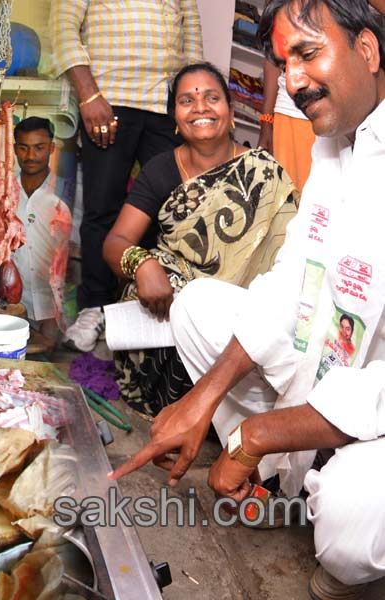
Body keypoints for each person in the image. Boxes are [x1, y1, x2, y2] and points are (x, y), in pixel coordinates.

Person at [110, 2, 385, 598]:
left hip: (376, 400)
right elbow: (289, 280)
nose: (293, 81)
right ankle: (284, 477)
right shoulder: (334, 145)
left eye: (308, 54)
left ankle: (316, 499)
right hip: (323, 355)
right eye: (284, 62)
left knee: (347, 534)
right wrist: (200, 402)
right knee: (196, 305)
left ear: (368, 49)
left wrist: (252, 436)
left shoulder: (272, 160)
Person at [103, 62, 299, 417]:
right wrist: (143, 264)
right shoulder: (161, 169)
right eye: (186, 101)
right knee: (150, 275)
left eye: (212, 97)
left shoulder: (265, 172)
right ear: (175, 119)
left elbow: (290, 258)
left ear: (231, 111)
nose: (200, 108)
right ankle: (182, 401)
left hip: (242, 310)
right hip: (174, 310)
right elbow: (116, 240)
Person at [52, 0, 203, 352]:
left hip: (165, 105)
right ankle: (95, 307)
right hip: (110, 99)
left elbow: (192, 36)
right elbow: (63, 26)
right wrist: (89, 95)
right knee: (102, 208)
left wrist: (190, 104)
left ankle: (141, 307)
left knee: (170, 211)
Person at [11, 117, 71, 341]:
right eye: (24, 148)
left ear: (51, 148)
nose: (30, 156)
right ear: (15, 149)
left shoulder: (67, 192)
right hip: (15, 305)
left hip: (55, 308)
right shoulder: (4, 190)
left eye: (39, 148)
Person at [258, 59, 315, 190]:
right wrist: (266, 122)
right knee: (286, 199)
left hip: (341, 115)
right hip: (292, 117)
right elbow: (272, 56)